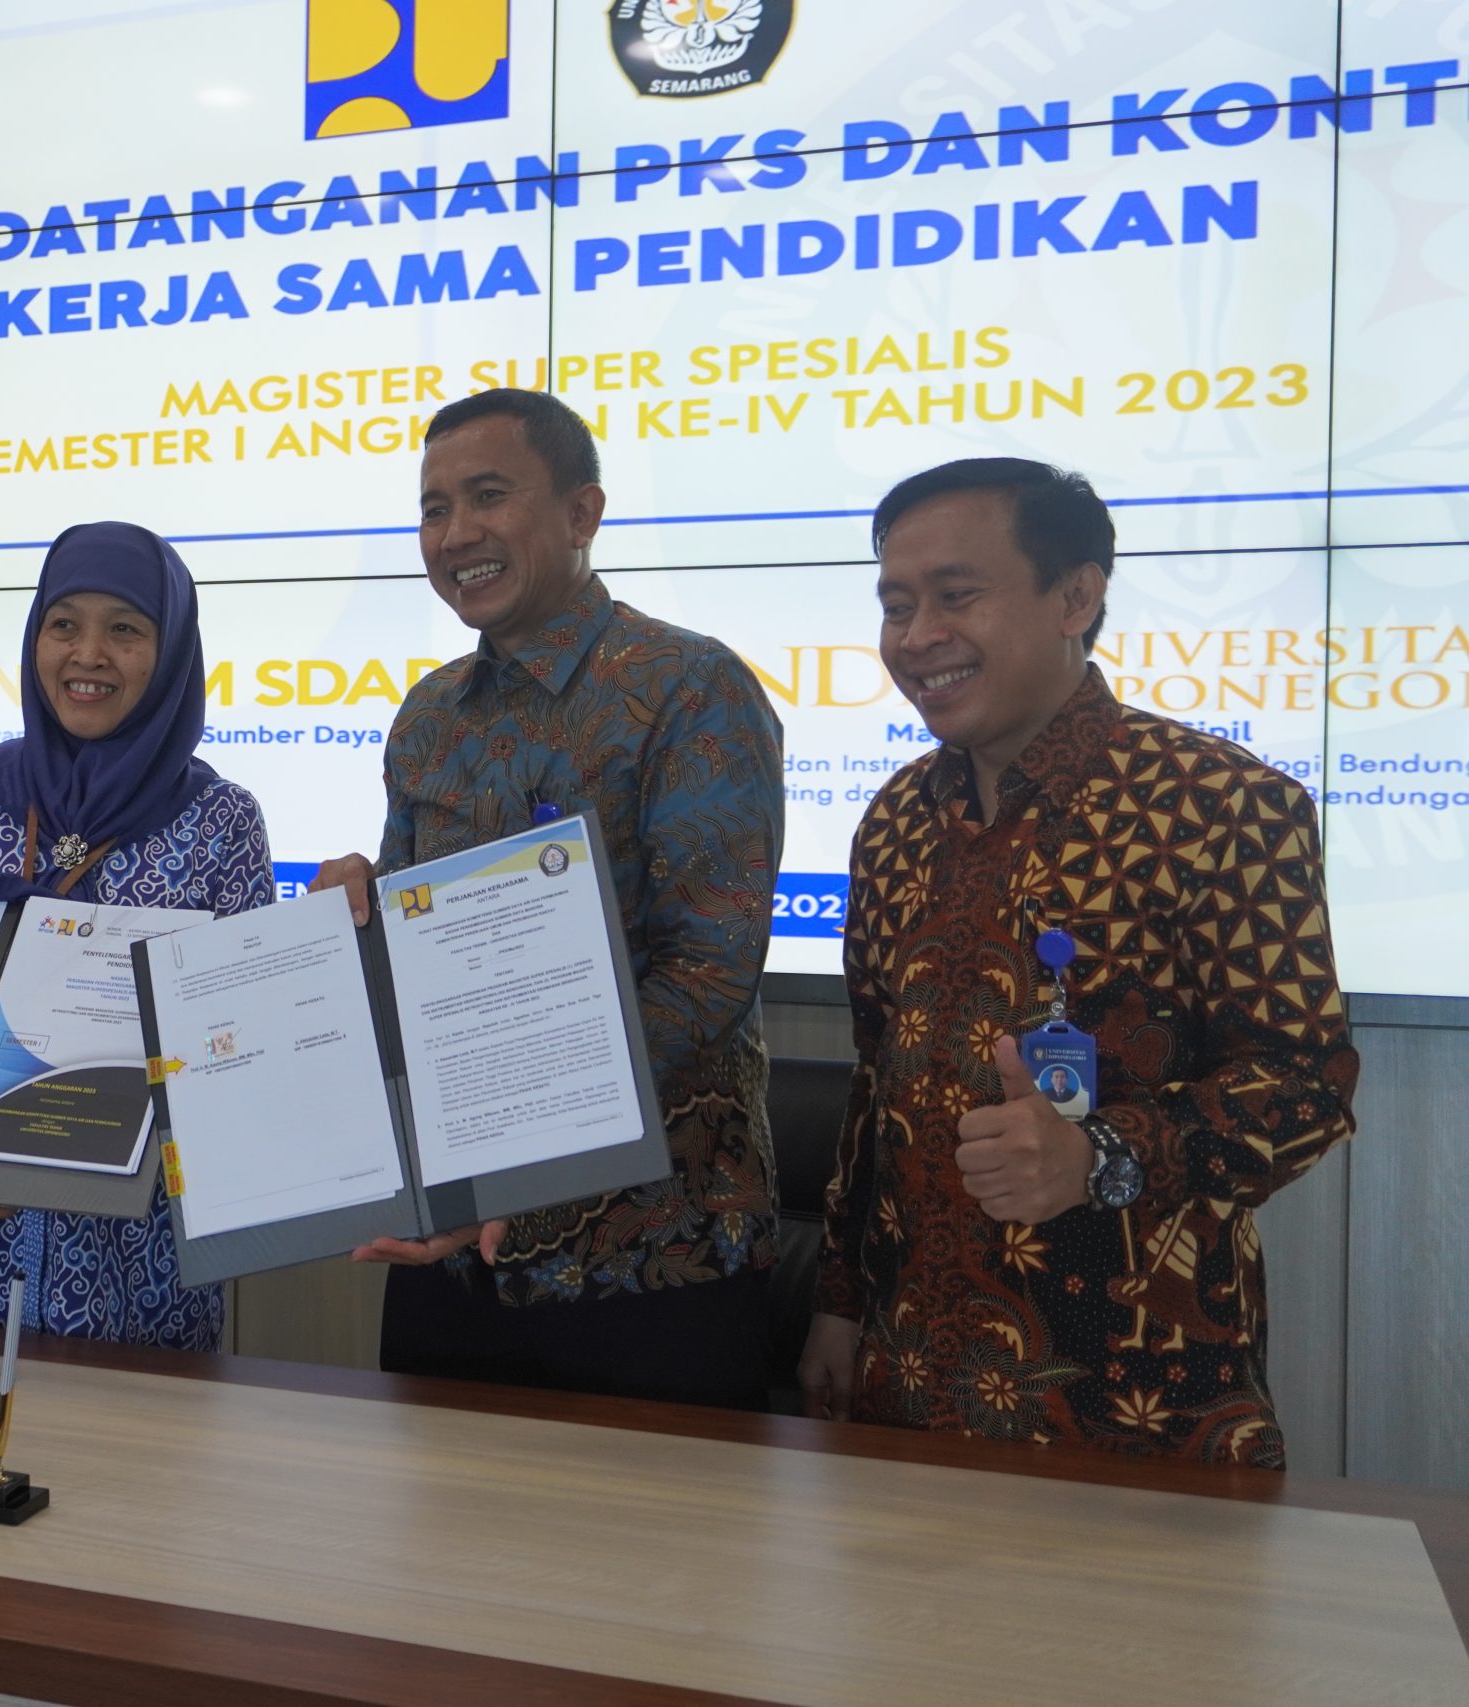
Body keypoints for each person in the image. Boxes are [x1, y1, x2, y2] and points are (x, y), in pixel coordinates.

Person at [799, 458, 1358, 1466]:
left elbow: (1305, 1086)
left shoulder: (1220, 806)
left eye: (955, 596)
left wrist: (1098, 1156)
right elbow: (874, 1084)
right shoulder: (894, 822)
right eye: (897, 604)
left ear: (1075, 597)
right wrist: (837, 1304)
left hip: (1137, 1404)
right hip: (904, 1393)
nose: (917, 637)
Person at [311, 388, 786, 1407]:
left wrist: (503, 1144)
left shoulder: (690, 688)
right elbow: (416, 968)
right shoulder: (429, 715)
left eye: (488, 496)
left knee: (660, 1520)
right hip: (455, 1258)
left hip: (651, 1259)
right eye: (434, 508)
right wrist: (352, 926)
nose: (455, 534)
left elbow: (706, 979)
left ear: (582, 512)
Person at [0, 522, 273, 1351]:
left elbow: (236, 1052)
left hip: (133, 1266)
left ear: (171, 650)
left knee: (132, 1440)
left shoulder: (221, 823)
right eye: (63, 624)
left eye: (126, 628)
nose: (88, 654)